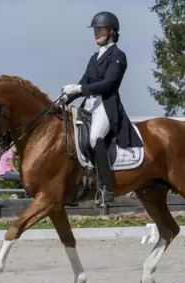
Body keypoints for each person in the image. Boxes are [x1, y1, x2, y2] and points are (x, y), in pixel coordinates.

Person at [57, 11, 143, 206]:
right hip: (88, 105)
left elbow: (109, 84)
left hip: (106, 104)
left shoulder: (118, 56)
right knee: (73, 136)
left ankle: (106, 188)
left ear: (111, 31)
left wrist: (81, 89)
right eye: (95, 30)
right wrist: (67, 96)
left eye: (100, 29)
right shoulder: (93, 58)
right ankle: (78, 184)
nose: (96, 33)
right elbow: (83, 82)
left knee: (96, 137)